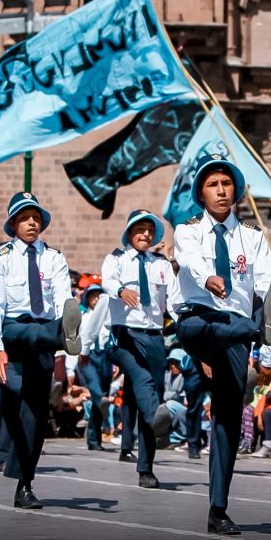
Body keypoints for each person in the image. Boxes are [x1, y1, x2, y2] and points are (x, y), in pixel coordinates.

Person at [174, 153, 271, 536]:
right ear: (201, 194)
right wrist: (209, 277)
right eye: (212, 185)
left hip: (236, 333)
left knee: (227, 418)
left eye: (226, 184)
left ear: (236, 191)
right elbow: (189, 261)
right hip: (197, 320)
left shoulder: (253, 237)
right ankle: (253, 333)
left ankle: (217, 508)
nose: (221, 191)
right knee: (228, 326)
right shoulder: (188, 230)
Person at [0, 192, 81, 509]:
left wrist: (68, 319)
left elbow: (64, 297)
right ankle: (60, 333)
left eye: (36, 218)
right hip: (14, 331)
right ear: (13, 223)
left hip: (43, 335)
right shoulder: (1, 258)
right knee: (15, 396)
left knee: (36, 414)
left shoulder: (53, 258)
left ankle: (25, 483)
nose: (32, 223)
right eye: (25, 218)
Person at [101, 209, 181, 489]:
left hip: (154, 336)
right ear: (129, 232)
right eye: (140, 229)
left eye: (150, 230)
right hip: (125, 335)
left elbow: (173, 299)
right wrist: (122, 290)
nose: (145, 234)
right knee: (142, 379)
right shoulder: (117, 259)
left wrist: (183, 319)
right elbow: (107, 281)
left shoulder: (160, 264)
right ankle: (160, 417)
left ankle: (146, 467)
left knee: (151, 396)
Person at [76, 283, 113, 451]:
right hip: (87, 357)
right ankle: (100, 400)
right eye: (92, 296)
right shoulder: (83, 316)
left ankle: (94, 439)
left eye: (99, 295)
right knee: (96, 390)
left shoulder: (108, 314)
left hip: (105, 356)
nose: (96, 299)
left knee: (102, 397)